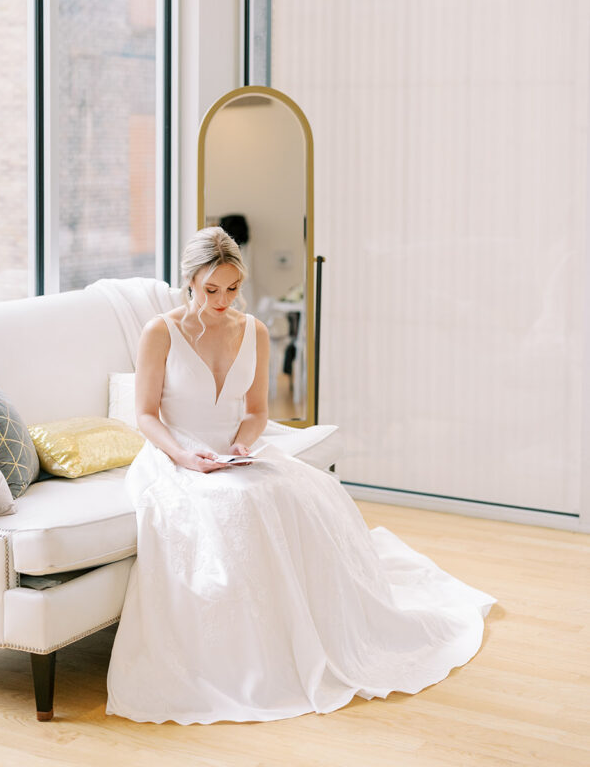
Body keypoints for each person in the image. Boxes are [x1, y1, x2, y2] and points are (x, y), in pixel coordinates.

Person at [106, 227, 495, 725]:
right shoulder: (160, 331)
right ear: (189, 281)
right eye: (211, 290)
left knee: (307, 493)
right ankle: (253, 656)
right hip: (175, 454)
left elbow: (257, 410)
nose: (222, 301)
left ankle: (318, 633)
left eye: (231, 289)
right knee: (237, 505)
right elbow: (145, 415)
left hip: (235, 451)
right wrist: (184, 457)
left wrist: (243, 442)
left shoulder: (255, 331)